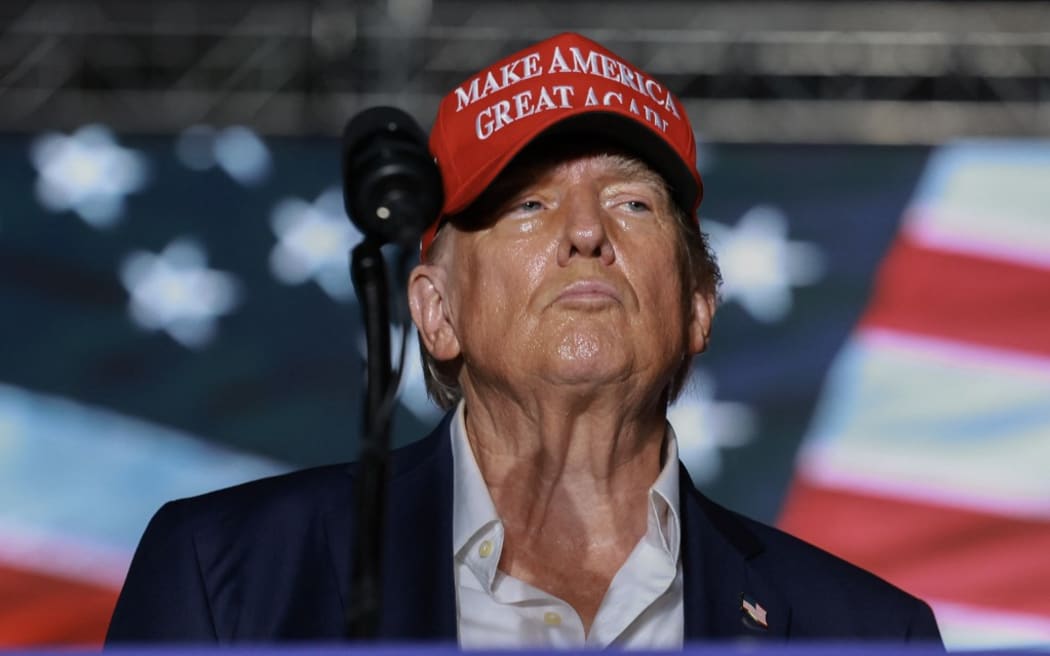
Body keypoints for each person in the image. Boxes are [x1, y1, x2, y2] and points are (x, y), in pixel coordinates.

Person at [106, 32, 942, 648]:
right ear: (437, 313)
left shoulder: (867, 633)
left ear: (697, 305)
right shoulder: (227, 578)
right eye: (527, 206)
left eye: (633, 204)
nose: (586, 233)